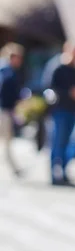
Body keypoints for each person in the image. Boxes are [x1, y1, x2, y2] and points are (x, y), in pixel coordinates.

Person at [48, 42, 75, 185]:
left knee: (68, 142)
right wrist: (68, 93)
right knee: (57, 141)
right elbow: (50, 89)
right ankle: (54, 173)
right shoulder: (58, 68)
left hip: (72, 110)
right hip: (60, 110)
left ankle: (63, 171)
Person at [0, 42, 24, 177]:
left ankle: (13, 168)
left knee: (7, 140)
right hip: (3, 110)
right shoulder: (5, 71)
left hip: (7, 110)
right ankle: (13, 168)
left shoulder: (9, 71)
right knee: (6, 139)